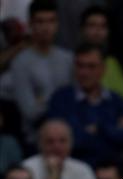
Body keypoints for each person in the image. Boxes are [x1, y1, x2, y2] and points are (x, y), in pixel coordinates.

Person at [47, 44, 123, 168]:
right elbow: (73, 142)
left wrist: (99, 129)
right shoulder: (61, 99)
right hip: (76, 167)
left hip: (114, 170)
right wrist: (114, 129)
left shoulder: (116, 100)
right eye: (80, 66)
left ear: (103, 69)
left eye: (91, 66)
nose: (84, 72)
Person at [9, 0, 73, 144]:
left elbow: (76, 100)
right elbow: (30, 111)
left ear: (57, 24)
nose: (46, 27)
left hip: (70, 133)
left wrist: (43, 99)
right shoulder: (20, 63)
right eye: (40, 22)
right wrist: (61, 100)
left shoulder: (68, 58)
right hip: (36, 138)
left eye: (51, 21)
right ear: (31, 24)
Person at [22, 118, 97, 179]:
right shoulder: (26, 168)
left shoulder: (83, 169)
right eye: (50, 141)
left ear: (71, 143)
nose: (57, 146)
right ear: (40, 144)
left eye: (62, 141)